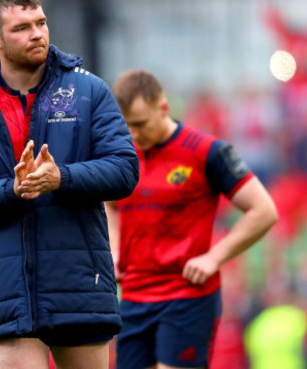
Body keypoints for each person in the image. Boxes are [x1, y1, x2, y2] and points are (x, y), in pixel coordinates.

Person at [0, 0, 139, 369]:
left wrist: (63, 178)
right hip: (7, 293)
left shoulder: (89, 91)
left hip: (81, 284)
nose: (37, 33)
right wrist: (12, 189)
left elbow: (125, 169)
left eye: (41, 23)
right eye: (22, 28)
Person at [106, 69, 278, 369]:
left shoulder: (207, 152)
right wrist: (115, 249)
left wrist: (215, 257)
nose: (133, 134)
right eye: (126, 125)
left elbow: (264, 210)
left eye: (141, 124)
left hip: (186, 296)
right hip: (134, 296)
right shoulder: (121, 153)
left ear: (163, 107)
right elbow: (109, 204)